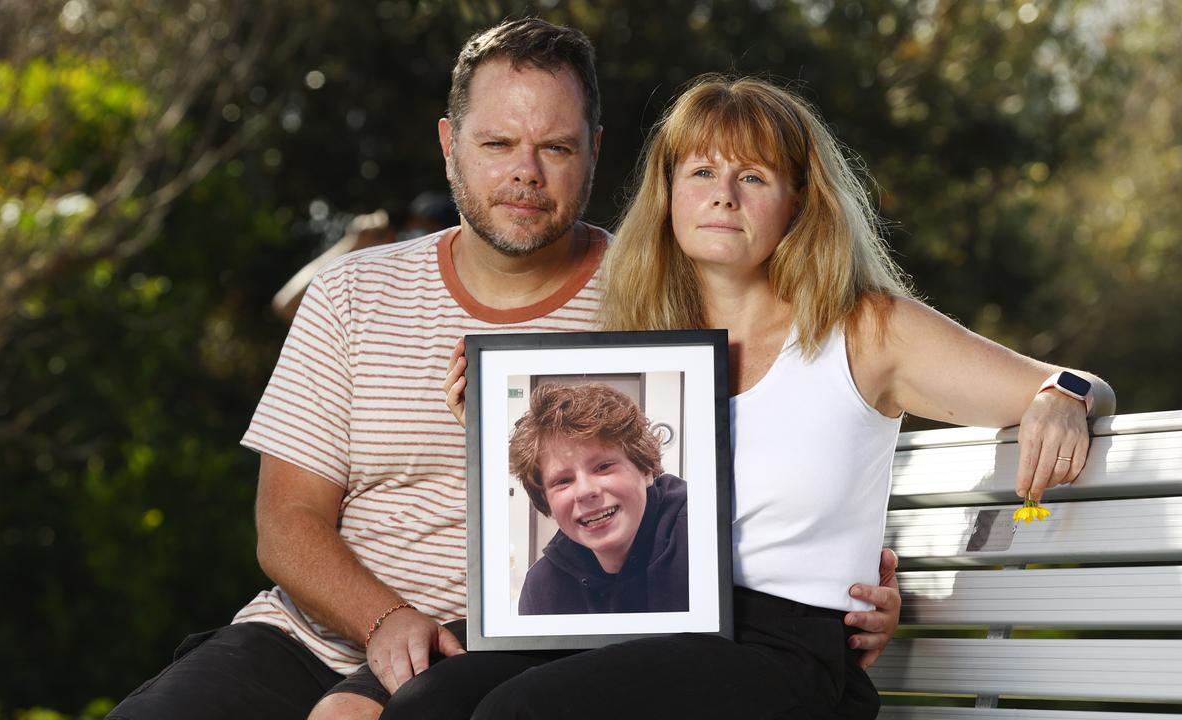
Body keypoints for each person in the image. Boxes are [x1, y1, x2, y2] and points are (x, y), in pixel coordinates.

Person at [106, 19, 900, 720]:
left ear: (595, 149)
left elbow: (787, 427)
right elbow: (287, 525)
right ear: (450, 143)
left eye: (555, 147)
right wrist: (384, 622)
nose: (526, 172)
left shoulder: (661, 291)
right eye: (497, 145)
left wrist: (845, 586)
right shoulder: (353, 293)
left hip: (525, 648)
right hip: (309, 635)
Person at [455, 75, 1116, 719]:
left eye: (753, 177)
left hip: (786, 652)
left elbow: (1066, 383)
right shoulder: (643, 349)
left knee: (527, 708)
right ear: (667, 196)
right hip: (653, 629)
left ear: (797, 203)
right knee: (433, 701)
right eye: (703, 174)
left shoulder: (865, 329)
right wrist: (492, 427)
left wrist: (1064, 394)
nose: (724, 197)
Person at [510, 383, 688, 615]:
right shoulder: (542, 588)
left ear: (646, 470)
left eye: (603, 467)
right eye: (563, 481)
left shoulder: (704, 533)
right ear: (548, 504)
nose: (585, 491)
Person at [270, 192, 458, 323]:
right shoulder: (381, 305)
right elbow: (288, 304)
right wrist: (352, 243)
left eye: (424, 233)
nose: (413, 242)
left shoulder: (451, 311)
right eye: (406, 233)